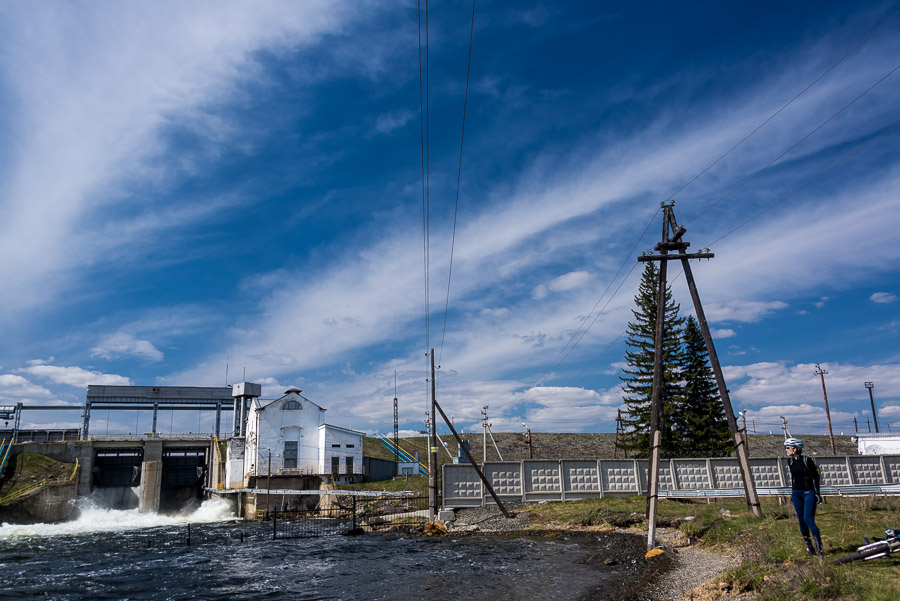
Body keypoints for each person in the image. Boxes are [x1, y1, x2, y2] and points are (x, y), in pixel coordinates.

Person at [785, 437, 823, 555]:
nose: (786, 450)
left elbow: (815, 477)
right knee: (801, 520)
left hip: (808, 492)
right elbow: (793, 478)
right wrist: (792, 493)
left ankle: (819, 547)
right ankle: (809, 546)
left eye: (788, 448)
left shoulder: (807, 460)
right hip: (797, 493)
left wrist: (817, 493)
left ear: (795, 449)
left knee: (808, 519)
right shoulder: (790, 462)